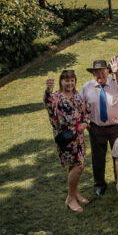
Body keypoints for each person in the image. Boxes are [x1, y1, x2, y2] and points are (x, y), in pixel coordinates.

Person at [44, 70, 90, 212]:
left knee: (74, 166)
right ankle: (70, 198)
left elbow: (86, 112)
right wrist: (48, 91)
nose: (70, 83)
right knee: (78, 166)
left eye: (72, 80)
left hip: (79, 137)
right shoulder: (56, 97)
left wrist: (85, 123)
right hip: (66, 138)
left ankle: (75, 193)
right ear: (61, 82)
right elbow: (49, 105)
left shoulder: (78, 96)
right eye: (66, 80)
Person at [81, 59, 118, 197]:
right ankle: (99, 184)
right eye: (97, 72)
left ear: (107, 72)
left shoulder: (116, 83)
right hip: (96, 128)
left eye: (103, 72)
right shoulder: (86, 87)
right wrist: (86, 123)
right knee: (98, 158)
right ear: (93, 74)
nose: (100, 75)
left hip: (116, 127)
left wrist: (116, 73)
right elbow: (80, 108)